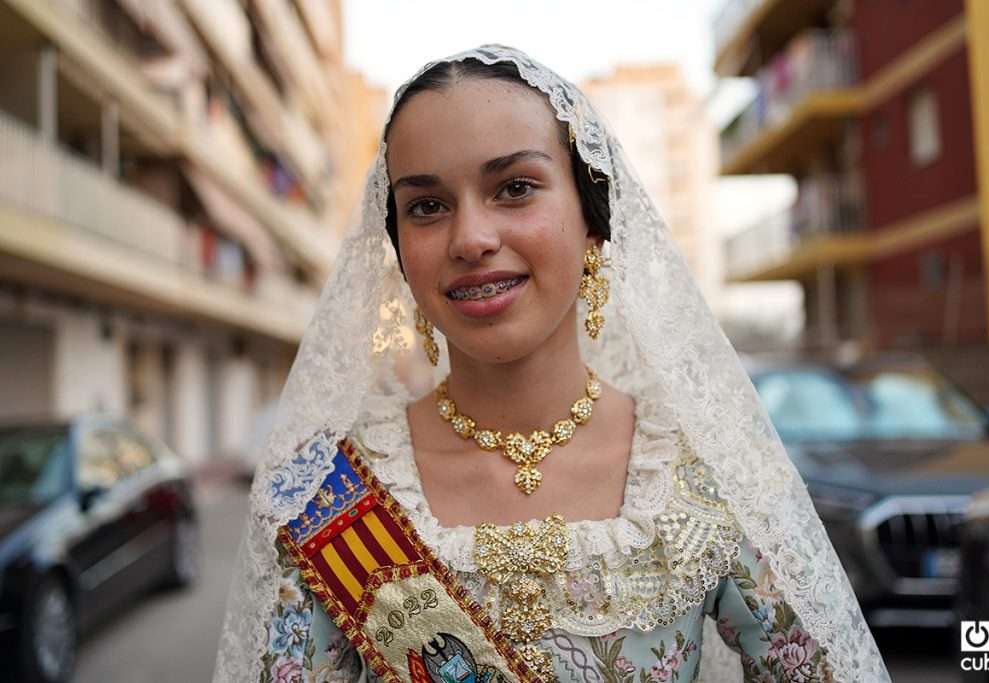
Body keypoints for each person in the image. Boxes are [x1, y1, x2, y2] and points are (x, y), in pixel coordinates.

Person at [213, 46, 891, 683]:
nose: (472, 237)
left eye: (514, 188)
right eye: (426, 206)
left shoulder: (704, 471)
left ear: (592, 218)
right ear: (400, 248)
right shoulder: (325, 493)